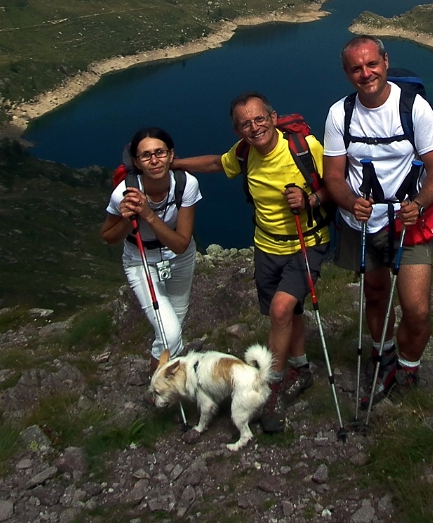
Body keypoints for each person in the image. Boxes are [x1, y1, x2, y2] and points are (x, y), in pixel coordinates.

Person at [173, 92, 332, 433]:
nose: (254, 127)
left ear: (273, 118)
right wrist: (175, 164)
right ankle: (301, 369)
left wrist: (310, 198)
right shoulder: (244, 153)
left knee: (279, 310)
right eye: (245, 123)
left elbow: (336, 183)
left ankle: (270, 388)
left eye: (260, 119)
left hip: (306, 244)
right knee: (289, 311)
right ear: (237, 130)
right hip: (265, 246)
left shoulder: (304, 148)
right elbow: (218, 163)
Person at [323, 36, 433, 401]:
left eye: (372, 64)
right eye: (357, 68)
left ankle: (407, 368)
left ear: (385, 62)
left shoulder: (414, 108)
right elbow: (334, 175)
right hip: (361, 223)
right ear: (347, 73)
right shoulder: (339, 113)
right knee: (376, 295)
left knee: (417, 309)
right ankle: (384, 354)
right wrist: (349, 202)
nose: (366, 73)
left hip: (407, 223)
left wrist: (421, 203)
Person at [101, 127, 199, 372]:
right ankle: (160, 390)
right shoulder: (123, 193)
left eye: (160, 153)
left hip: (179, 259)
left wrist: (148, 215)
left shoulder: (186, 184)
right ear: (136, 161)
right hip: (140, 259)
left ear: (171, 154)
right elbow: (108, 236)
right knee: (171, 333)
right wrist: (127, 218)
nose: (154, 160)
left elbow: (180, 244)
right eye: (146, 156)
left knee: (172, 328)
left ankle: (160, 389)